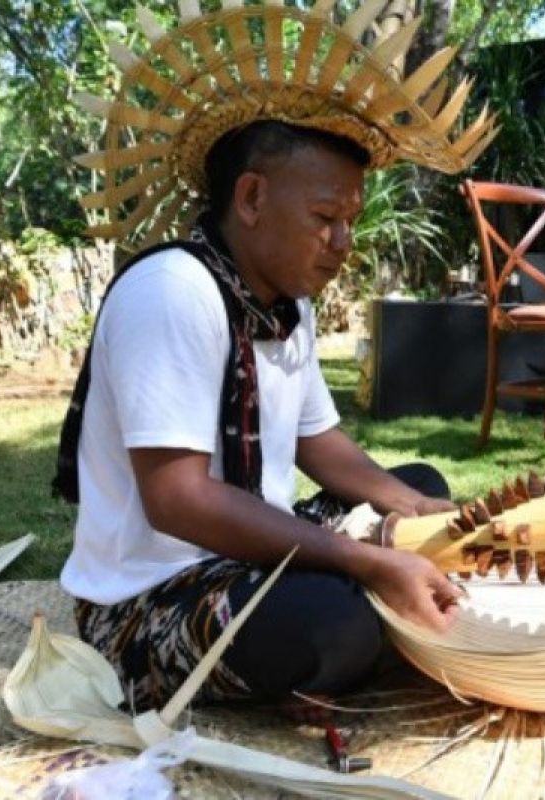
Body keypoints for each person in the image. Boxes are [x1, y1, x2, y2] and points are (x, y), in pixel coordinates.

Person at [51, 1, 495, 714]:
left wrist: (412, 507)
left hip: (247, 560)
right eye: (325, 219)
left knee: (416, 480)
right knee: (332, 626)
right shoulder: (173, 292)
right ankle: (336, 637)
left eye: (350, 220)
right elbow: (179, 500)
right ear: (251, 198)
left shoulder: (288, 303)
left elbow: (319, 441)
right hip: (149, 603)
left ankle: (344, 617)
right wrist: (364, 557)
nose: (343, 242)